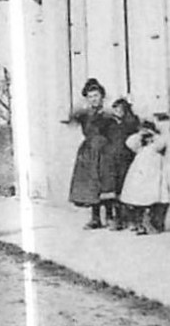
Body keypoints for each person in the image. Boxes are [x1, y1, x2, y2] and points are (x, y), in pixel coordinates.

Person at [69, 79, 116, 229]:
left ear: (102, 96)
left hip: (105, 150)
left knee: (106, 182)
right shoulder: (84, 115)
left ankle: (109, 216)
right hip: (89, 151)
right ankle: (95, 218)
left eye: (96, 95)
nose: (93, 99)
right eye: (90, 96)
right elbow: (72, 117)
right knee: (91, 184)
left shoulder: (109, 114)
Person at [120, 119, 167, 234]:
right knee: (139, 196)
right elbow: (129, 143)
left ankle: (149, 223)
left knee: (152, 196)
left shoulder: (155, 146)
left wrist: (153, 135)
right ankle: (139, 222)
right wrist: (140, 135)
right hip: (140, 173)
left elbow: (161, 143)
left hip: (153, 173)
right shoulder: (139, 148)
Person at [103, 98, 142, 230]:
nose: (117, 112)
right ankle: (117, 218)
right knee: (114, 189)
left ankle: (131, 219)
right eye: (115, 109)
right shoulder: (110, 123)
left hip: (126, 159)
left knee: (127, 188)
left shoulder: (130, 123)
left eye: (120, 109)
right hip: (113, 159)